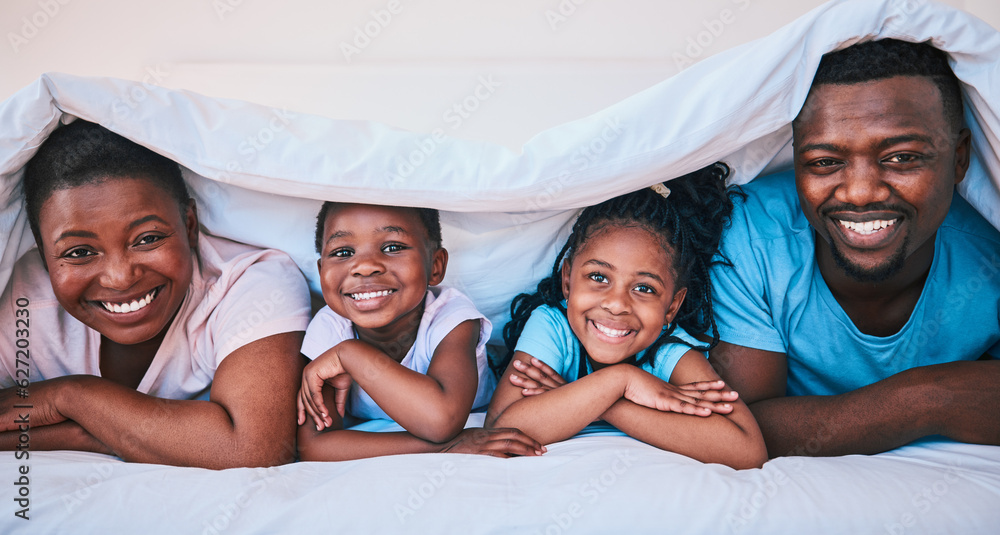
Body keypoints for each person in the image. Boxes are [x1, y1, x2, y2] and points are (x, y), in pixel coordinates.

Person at [709, 38, 1000, 458]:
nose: (860, 193)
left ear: (959, 158)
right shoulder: (751, 236)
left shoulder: (989, 250)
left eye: (901, 158)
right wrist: (931, 399)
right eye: (825, 162)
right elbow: (739, 428)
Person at [0, 120, 312, 468]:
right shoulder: (20, 303)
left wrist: (69, 398)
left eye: (148, 238)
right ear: (43, 256)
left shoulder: (250, 282)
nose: (120, 278)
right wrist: (110, 433)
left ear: (189, 225)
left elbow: (251, 448)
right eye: (78, 252)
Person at [485, 165, 767, 470]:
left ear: (672, 306)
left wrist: (610, 403)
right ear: (567, 280)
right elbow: (501, 429)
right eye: (598, 277)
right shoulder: (552, 326)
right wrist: (622, 379)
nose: (617, 304)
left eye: (644, 288)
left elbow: (746, 450)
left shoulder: (668, 349)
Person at [297, 202, 546, 460]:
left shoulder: (452, 316)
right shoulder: (330, 326)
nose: (364, 266)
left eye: (392, 247)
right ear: (321, 271)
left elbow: (440, 420)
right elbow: (313, 445)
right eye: (343, 252)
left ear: (435, 266)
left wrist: (350, 354)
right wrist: (444, 447)